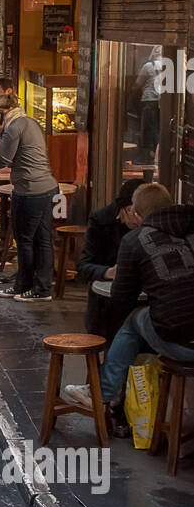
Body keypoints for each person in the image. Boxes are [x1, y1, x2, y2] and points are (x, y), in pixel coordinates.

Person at [64, 183, 194, 430]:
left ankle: (103, 393)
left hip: (180, 345)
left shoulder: (135, 241)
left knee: (132, 320)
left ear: (138, 214)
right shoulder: (186, 229)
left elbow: (121, 299)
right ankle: (132, 403)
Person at [0, 90, 58, 302]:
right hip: (47, 187)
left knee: (24, 240)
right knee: (43, 240)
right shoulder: (29, 122)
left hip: (29, 191)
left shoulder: (14, 127)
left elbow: (1, 161)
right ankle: (42, 289)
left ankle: (23, 286)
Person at [78, 179, 144, 340]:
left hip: (142, 300)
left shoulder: (148, 225)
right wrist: (108, 272)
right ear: (122, 208)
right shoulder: (101, 220)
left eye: (141, 214)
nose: (137, 220)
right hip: (107, 302)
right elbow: (83, 266)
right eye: (131, 211)